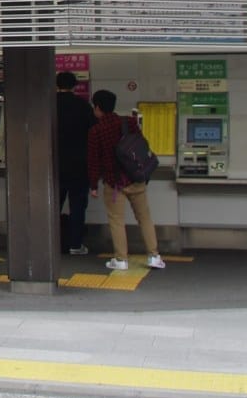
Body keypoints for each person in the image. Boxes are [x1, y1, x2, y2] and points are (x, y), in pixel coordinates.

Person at [87, 89, 165, 272]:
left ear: (97, 108)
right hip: (136, 179)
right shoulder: (129, 122)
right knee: (144, 218)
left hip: (114, 183)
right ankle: (154, 256)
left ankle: (121, 259)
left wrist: (92, 185)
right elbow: (141, 145)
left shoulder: (96, 131)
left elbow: (93, 161)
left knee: (116, 220)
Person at [56, 73, 96, 256]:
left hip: (53, 165)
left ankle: (50, 241)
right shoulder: (83, 106)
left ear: (57, 85)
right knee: (78, 206)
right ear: (74, 86)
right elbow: (93, 133)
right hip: (80, 165)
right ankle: (75, 245)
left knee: (52, 205)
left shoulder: (48, 105)